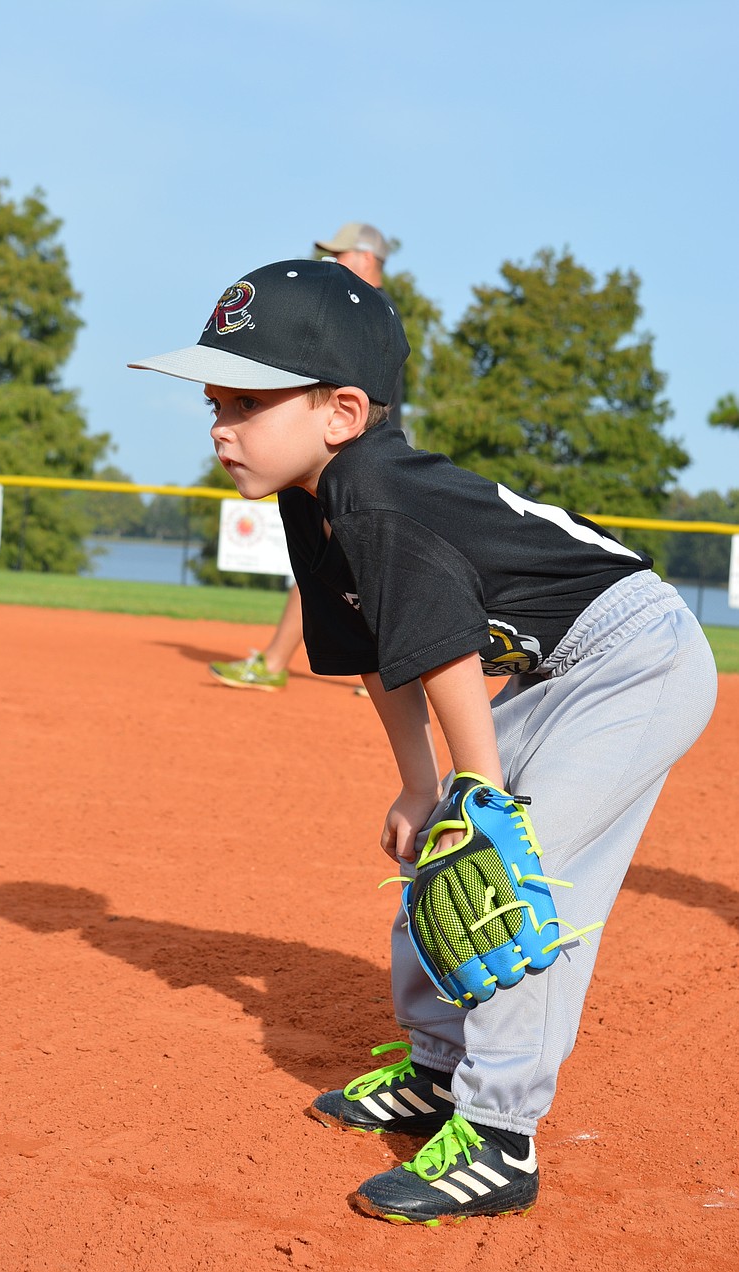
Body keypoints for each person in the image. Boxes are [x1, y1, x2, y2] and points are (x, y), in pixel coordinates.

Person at [128, 259, 717, 1226]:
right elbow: (377, 654)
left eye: (246, 401)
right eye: (213, 403)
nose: (220, 427)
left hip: (636, 659)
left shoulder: (373, 490)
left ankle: (501, 1139)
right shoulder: (311, 500)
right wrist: (422, 790)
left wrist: (477, 795)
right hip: (561, 666)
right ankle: (441, 1073)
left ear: (342, 412)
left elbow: (444, 650)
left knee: (505, 886)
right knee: (445, 860)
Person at [208, 223, 400, 694]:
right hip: (337, 451)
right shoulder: (336, 312)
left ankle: (396, 661)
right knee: (328, 563)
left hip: (358, 450)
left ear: (368, 259)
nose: (331, 260)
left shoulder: (375, 316)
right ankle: (281, 660)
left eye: (341, 253)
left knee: (363, 563)